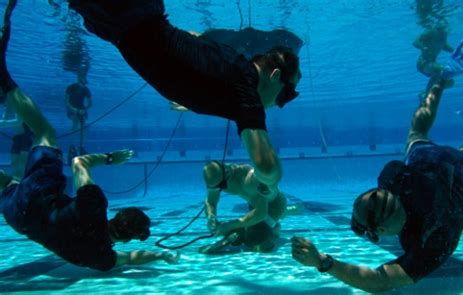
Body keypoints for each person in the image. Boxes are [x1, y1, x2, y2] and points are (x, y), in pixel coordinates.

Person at [0, 0, 179, 271]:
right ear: (126, 237)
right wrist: (161, 256)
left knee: (45, 132)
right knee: (11, 184)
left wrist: (111, 158)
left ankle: (4, 78)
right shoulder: (100, 258)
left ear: (118, 216)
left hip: (39, 199)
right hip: (20, 218)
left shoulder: (93, 207)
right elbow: (129, 259)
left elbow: (79, 163)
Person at [291, 43, 463, 291]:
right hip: (434, 161)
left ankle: (448, 97)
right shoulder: (393, 180)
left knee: (459, 153)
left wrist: (322, 262)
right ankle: (439, 81)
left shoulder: (430, 240)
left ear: (382, 231)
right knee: (417, 133)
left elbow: (379, 281)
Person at [68, 0, 301, 195]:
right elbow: (268, 167)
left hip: (123, 21)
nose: (280, 104)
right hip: (126, 15)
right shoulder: (246, 91)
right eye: (286, 95)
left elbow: (194, 42)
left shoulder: (235, 66)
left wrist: (192, 100)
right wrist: (269, 186)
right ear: (274, 75)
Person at [199, 161, 290, 254]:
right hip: (255, 204)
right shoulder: (218, 179)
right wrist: (211, 216)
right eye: (214, 187)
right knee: (232, 228)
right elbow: (211, 201)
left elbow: (261, 213)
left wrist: (231, 225)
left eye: (221, 186)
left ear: (227, 172)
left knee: (253, 239)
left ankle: (273, 230)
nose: (218, 189)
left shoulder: (250, 179)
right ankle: (258, 228)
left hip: (275, 205)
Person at [65, 74, 91, 155]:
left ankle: (81, 147)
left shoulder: (86, 89)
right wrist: (74, 110)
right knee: (75, 124)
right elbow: (66, 102)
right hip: (73, 109)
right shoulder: (71, 87)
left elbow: (90, 103)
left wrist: (84, 110)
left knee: (83, 127)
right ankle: (71, 147)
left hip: (81, 109)